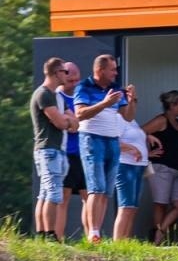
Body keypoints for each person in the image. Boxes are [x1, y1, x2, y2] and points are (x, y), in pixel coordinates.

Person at [72, 53, 138, 244]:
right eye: (112, 69)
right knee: (96, 187)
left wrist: (132, 100)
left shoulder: (115, 89)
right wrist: (105, 103)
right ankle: (93, 233)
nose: (116, 73)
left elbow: (127, 117)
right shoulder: (84, 87)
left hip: (112, 140)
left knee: (107, 191)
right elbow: (80, 114)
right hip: (92, 140)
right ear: (100, 70)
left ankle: (97, 233)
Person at [143, 90, 178, 244]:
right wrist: (148, 153)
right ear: (172, 105)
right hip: (160, 168)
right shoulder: (161, 120)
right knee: (160, 204)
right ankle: (156, 240)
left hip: (175, 170)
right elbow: (139, 132)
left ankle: (160, 232)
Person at [31, 58, 74, 241]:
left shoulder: (54, 95)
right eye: (65, 71)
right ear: (57, 72)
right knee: (54, 193)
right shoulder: (44, 94)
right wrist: (66, 119)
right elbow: (61, 122)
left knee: (46, 192)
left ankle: (43, 234)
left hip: (55, 150)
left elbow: (74, 124)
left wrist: (67, 120)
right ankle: (49, 234)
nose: (67, 75)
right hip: (48, 150)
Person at [112, 108, 157, 241]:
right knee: (125, 207)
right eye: (131, 101)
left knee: (132, 208)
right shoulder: (119, 119)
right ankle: (118, 243)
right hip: (125, 166)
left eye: (135, 101)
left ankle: (125, 241)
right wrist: (132, 149)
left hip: (138, 167)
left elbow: (134, 138)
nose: (134, 104)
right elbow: (114, 143)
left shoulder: (133, 122)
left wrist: (146, 140)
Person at [56, 62, 88, 243]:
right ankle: (58, 238)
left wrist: (73, 121)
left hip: (84, 152)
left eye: (77, 80)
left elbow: (79, 122)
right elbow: (71, 125)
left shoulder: (81, 96)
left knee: (87, 195)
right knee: (64, 196)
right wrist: (73, 121)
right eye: (70, 80)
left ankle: (91, 238)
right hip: (66, 152)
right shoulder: (57, 97)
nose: (74, 84)